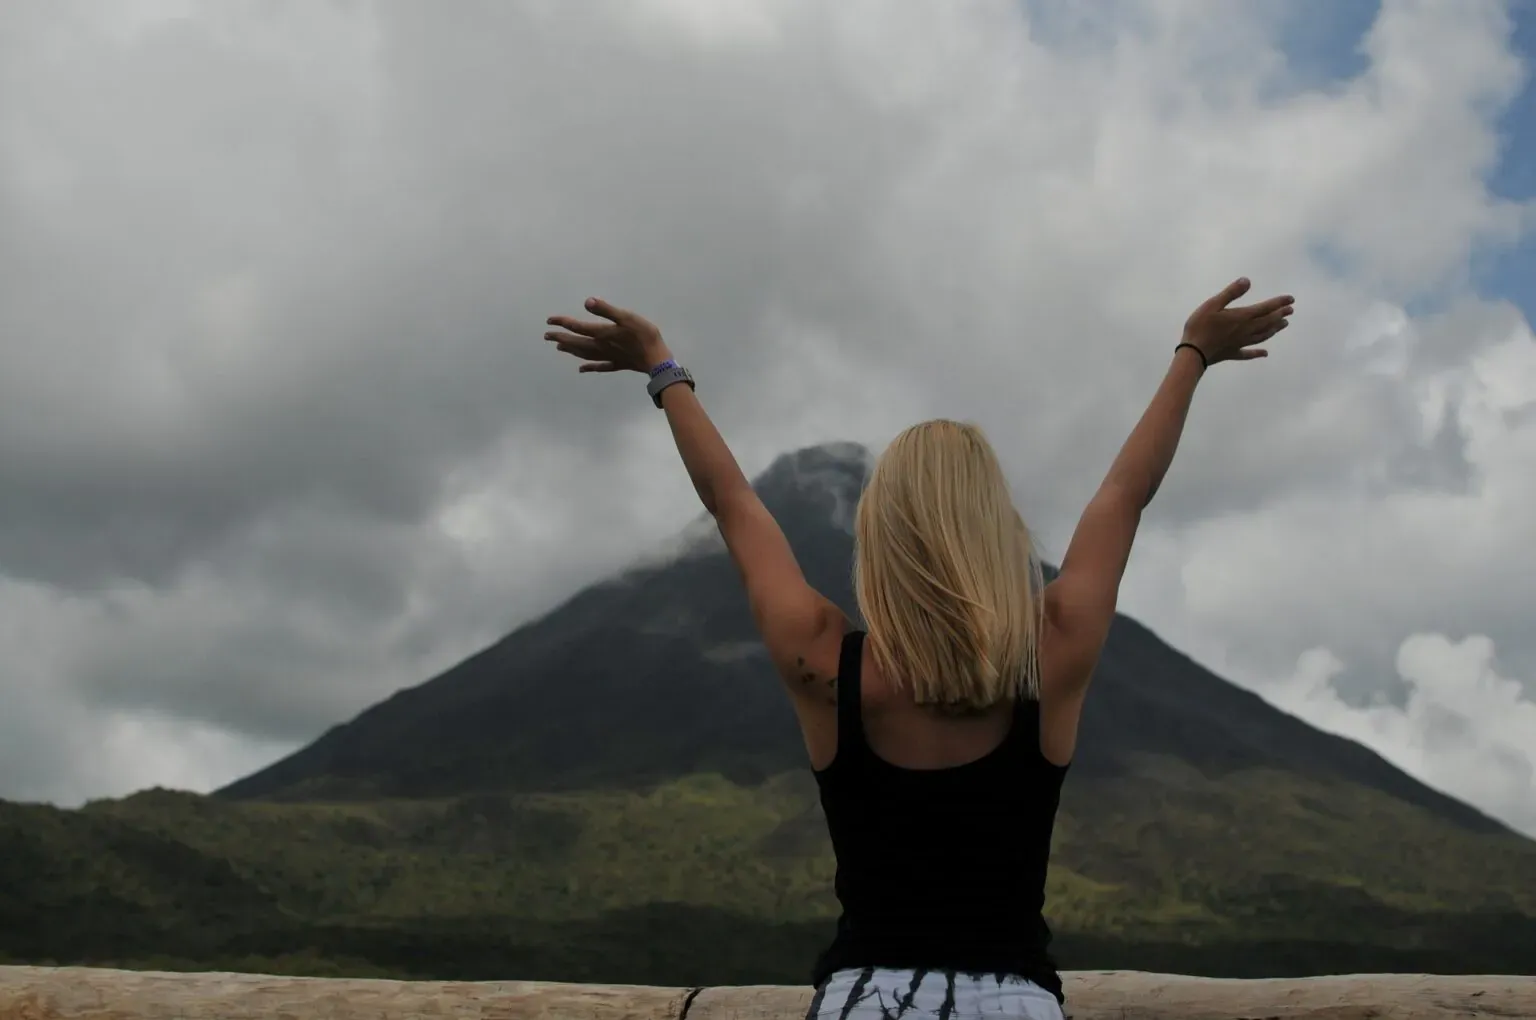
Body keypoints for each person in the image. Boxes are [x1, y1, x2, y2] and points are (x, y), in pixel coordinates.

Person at [543, 277, 1295, 1020]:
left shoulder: (823, 660)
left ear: (879, 531)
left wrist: (663, 367)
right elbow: (1124, 495)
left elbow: (732, 503)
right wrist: (1193, 354)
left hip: (864, 1002)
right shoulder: (1054, 648)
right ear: (996, 525)